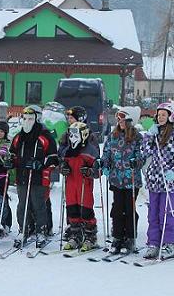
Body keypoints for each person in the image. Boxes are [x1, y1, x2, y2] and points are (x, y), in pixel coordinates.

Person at [9, 105, 58, 248]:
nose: (27, 121)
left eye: (31, 118)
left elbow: (53, 157)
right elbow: (13, 153)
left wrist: (40, 164)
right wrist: (10, 161)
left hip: (39, 177)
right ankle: (23, 229)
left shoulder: (45, 136)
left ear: (38, 118)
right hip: (22, 175)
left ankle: (41, 230)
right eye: (24, 118)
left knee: (38, 204)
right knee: (22, 205)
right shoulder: (19, 137)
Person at [101, 107, 143, 254]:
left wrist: (136, 161)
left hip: (131, 180)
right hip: (116, 179)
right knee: (117, 209)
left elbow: (142, 155)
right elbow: (106, 152)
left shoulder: (137, 137)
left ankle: (129, 238)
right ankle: (117, 237)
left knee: (129, 208)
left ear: (130, 120)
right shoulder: (113, 136)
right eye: (118, 118)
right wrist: (104, 164)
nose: (120, 121)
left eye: (123, 118)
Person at [60, 122, 100, 251]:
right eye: (70, 134)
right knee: (72, 210)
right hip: (71, 184)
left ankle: (90, 237)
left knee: (86, 211)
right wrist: (63, 168)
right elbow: (62, 165)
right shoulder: (67, 151)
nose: (72, 137)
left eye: (75, 134)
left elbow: (98, 171)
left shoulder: (90, 150)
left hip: (84, 185)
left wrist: (89, 171)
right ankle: (75, 235)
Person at [141, 102, 174, 259]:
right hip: (154, 179)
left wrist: (173, 172)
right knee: (153, 213)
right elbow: (145, 151)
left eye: (164, 115)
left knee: (166, 213)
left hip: (169, 181)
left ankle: (169, 243)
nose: (160, 117)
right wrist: (149, 135)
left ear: (170, 116)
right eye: (159, 115)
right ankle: (153, 242)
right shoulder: (153, 134)